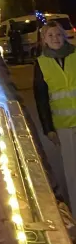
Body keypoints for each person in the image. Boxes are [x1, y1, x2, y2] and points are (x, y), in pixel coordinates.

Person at [35, 23, 76, 208]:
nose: (55, 38)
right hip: (64, 126)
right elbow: (41, 98)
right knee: (72, 171)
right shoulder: (41, 63)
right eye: (50, 35)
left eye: (58, 34)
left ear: (64, 36)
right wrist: (48, 128)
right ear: (44, 40)